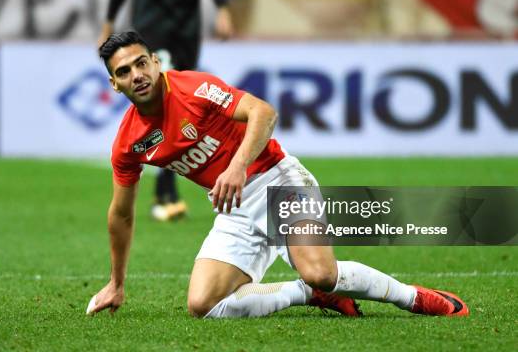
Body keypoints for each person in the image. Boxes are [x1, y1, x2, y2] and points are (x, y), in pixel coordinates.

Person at [86, 31, 469, 319]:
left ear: (155, 61)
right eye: (124, 71)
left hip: (279, 182)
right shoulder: (128, 142)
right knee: (203, 305)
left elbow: (263, 113)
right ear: (114, 84)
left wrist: (236, 165)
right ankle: (305, 293)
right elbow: (121, 214)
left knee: (322, 272)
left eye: (140, 63)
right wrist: (117, 283)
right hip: (234, 208)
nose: (136, 75)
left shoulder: (193, 88)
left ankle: (414, 298)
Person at [98, 0, 234, 221]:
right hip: (151, 30)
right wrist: (109, 22)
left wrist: (223, 9)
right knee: (163, 103)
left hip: (186, 32)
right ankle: (166, 190)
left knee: (183, 105)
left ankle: (165, 190)